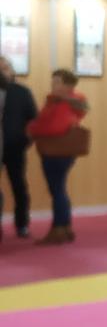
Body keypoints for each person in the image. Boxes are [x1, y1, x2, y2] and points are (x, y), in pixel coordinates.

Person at [26, 69, 89, 245]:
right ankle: (65, 227)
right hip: (58, 151)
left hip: (56, 151)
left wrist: (32, 129)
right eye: (53, 81)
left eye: (57, 82)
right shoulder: (57, 101)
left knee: (57, 191)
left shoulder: (70, 101)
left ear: (68, 85)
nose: (53, 85)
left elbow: (52, 127)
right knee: (59, 190)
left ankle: (58, 229)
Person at [0, 55, 38, 242]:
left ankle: (21, 224)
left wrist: (27, 140)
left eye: (6, 66)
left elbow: (33, 119)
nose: (3, 70)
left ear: (12, 70)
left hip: (15, 147)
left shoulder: (22, 92)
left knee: (19, 187)